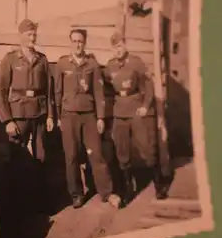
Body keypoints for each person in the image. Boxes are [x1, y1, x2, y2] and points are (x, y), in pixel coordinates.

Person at [55, 28, 121, 209]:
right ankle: (76, 194)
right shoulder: (62, 64)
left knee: (97, 155)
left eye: (81, 41)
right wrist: (58, 116)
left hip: (89, 117)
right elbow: (57, 92)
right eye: (74, 41)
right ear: (70, 43)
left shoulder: (92, 65)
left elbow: (99, 93)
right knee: (72, 157)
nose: (77, 44)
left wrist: (100, 117)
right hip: (68, 117)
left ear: (85, 43)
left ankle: (107, 193)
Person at [0, 18, 54, 211]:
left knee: (41, 156)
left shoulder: (42, 60)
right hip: (18, 114)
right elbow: (1, 92)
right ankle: (16, 202)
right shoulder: (11, 59)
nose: (32, 37)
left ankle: (38, 201)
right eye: (29, 34)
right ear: (20, 36)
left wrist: (50, 116)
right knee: (16, 156)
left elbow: (49, 91)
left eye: (34, 34)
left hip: (39, 113)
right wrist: (7, 120)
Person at [104, 31, 168, 203]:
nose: (117, 50)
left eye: (119, 46)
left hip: (135, 111)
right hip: (119, 113)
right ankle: (128, 189)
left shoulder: (136, 63)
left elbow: (148, 85)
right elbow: (108, 90)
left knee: (147, 148)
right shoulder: (110, 67)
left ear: (125, 45)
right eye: (114, 47)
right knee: (122, 152)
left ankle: (159, 184)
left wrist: (145, 106)